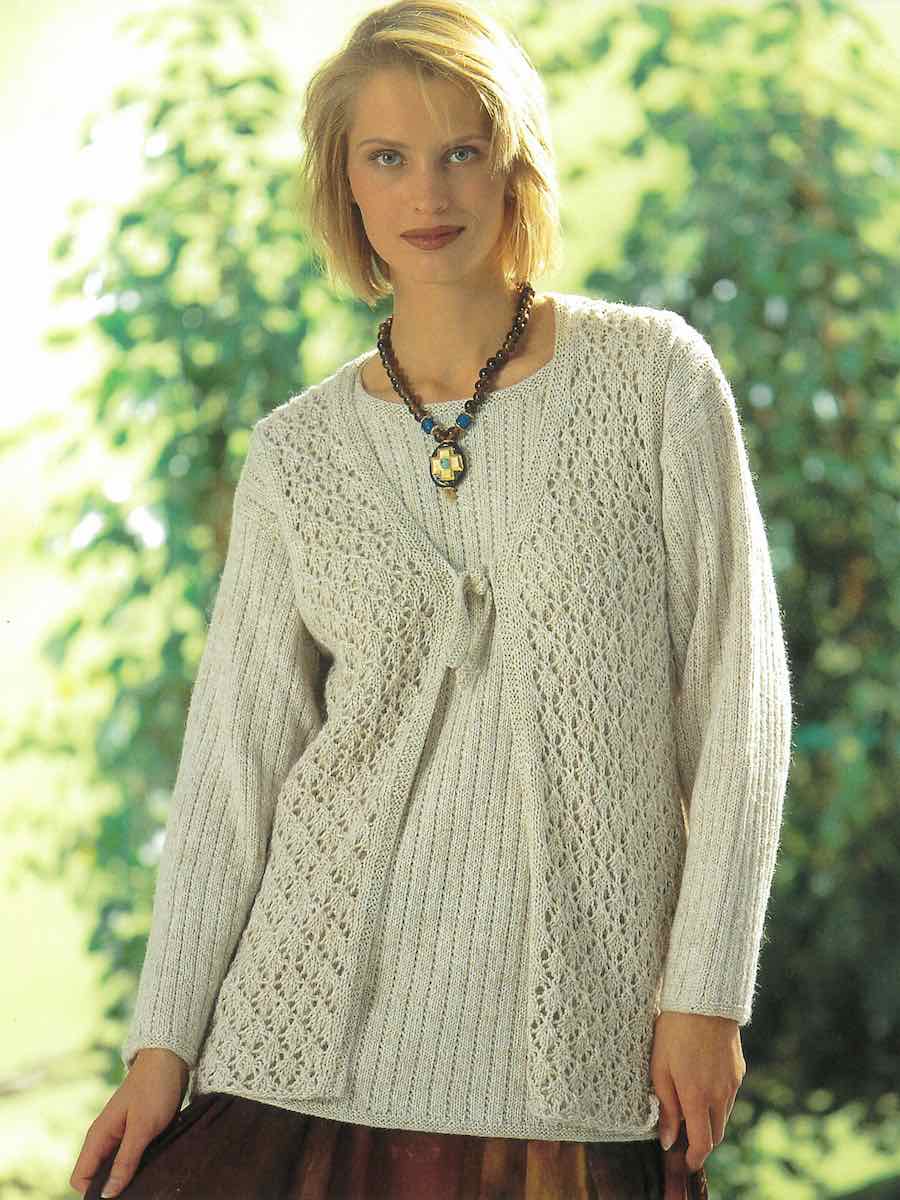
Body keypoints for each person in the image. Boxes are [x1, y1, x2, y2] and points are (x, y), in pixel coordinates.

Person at [69, 2, 793, 1198]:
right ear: (344, 183)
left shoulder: (656, 380)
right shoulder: (298, 454)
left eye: (463, 149)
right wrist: (163, 1049)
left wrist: (707, 993)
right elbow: (234, 767)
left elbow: (740, 709)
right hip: (303, 1042)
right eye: (387, 157)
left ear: (515, 162)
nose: (429, 191)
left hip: (574, 1044)